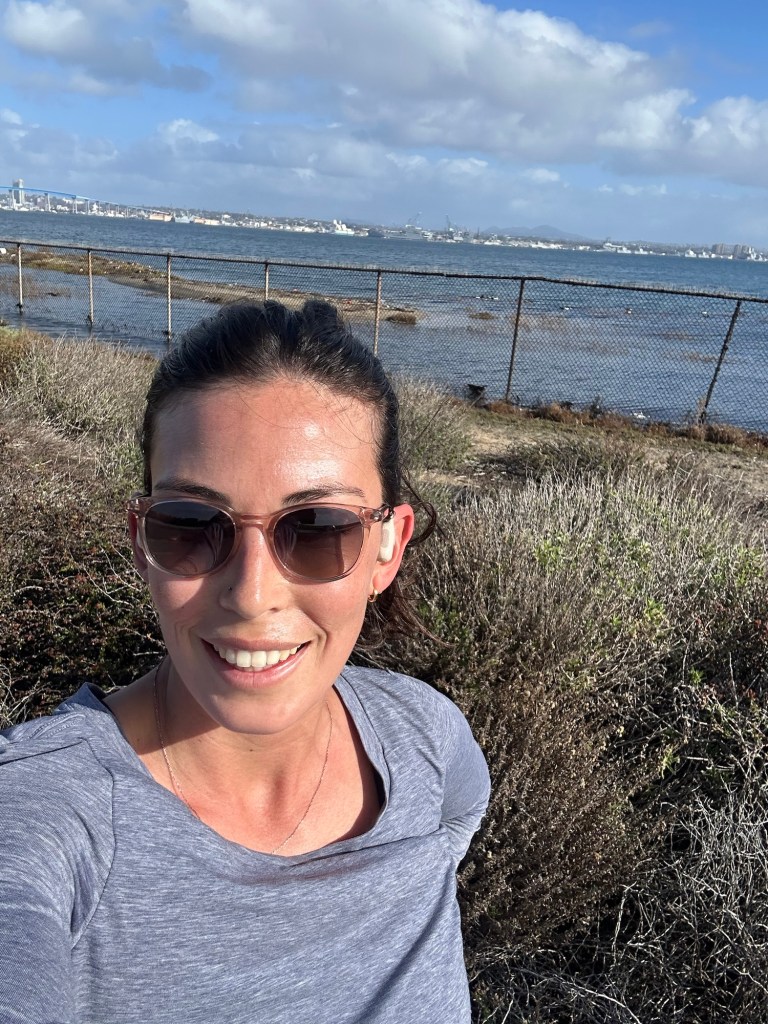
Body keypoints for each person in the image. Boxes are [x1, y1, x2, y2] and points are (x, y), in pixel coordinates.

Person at [0, 300, 490, 1024]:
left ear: (388, 547)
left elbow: (462, 811)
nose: (252, 594)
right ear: (141, 542)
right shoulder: (42, 813)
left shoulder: (424, 734)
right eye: (191, 524)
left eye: (317, 528)